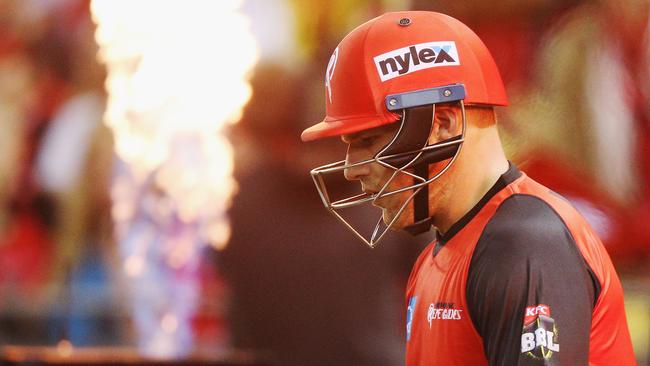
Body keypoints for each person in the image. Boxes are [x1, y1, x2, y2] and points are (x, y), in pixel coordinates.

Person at [300, 11, 636, 365]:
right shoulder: (438, 256)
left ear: (444, 123)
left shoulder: (524, 244)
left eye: (368, 140)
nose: (352, 169)